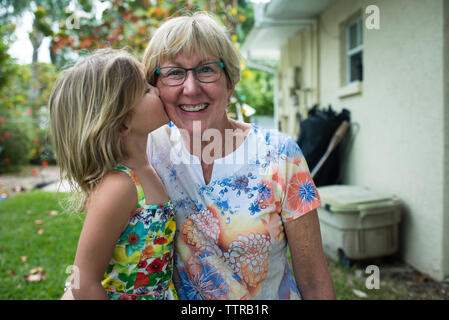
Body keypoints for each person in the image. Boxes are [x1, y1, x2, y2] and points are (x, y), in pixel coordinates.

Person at [143, 12, 335, 299]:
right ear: (156, 86)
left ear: (230, 83)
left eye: (207, 70)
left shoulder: (280, 155)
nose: (191, 88)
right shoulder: (147, 152)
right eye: (174, 73)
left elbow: (315, 282)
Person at [49, 48, 177, 300]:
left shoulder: (149, 166)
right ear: (121, 123)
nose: (158, 90)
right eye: (146, 91)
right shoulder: (119, 186)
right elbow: (83, 281)